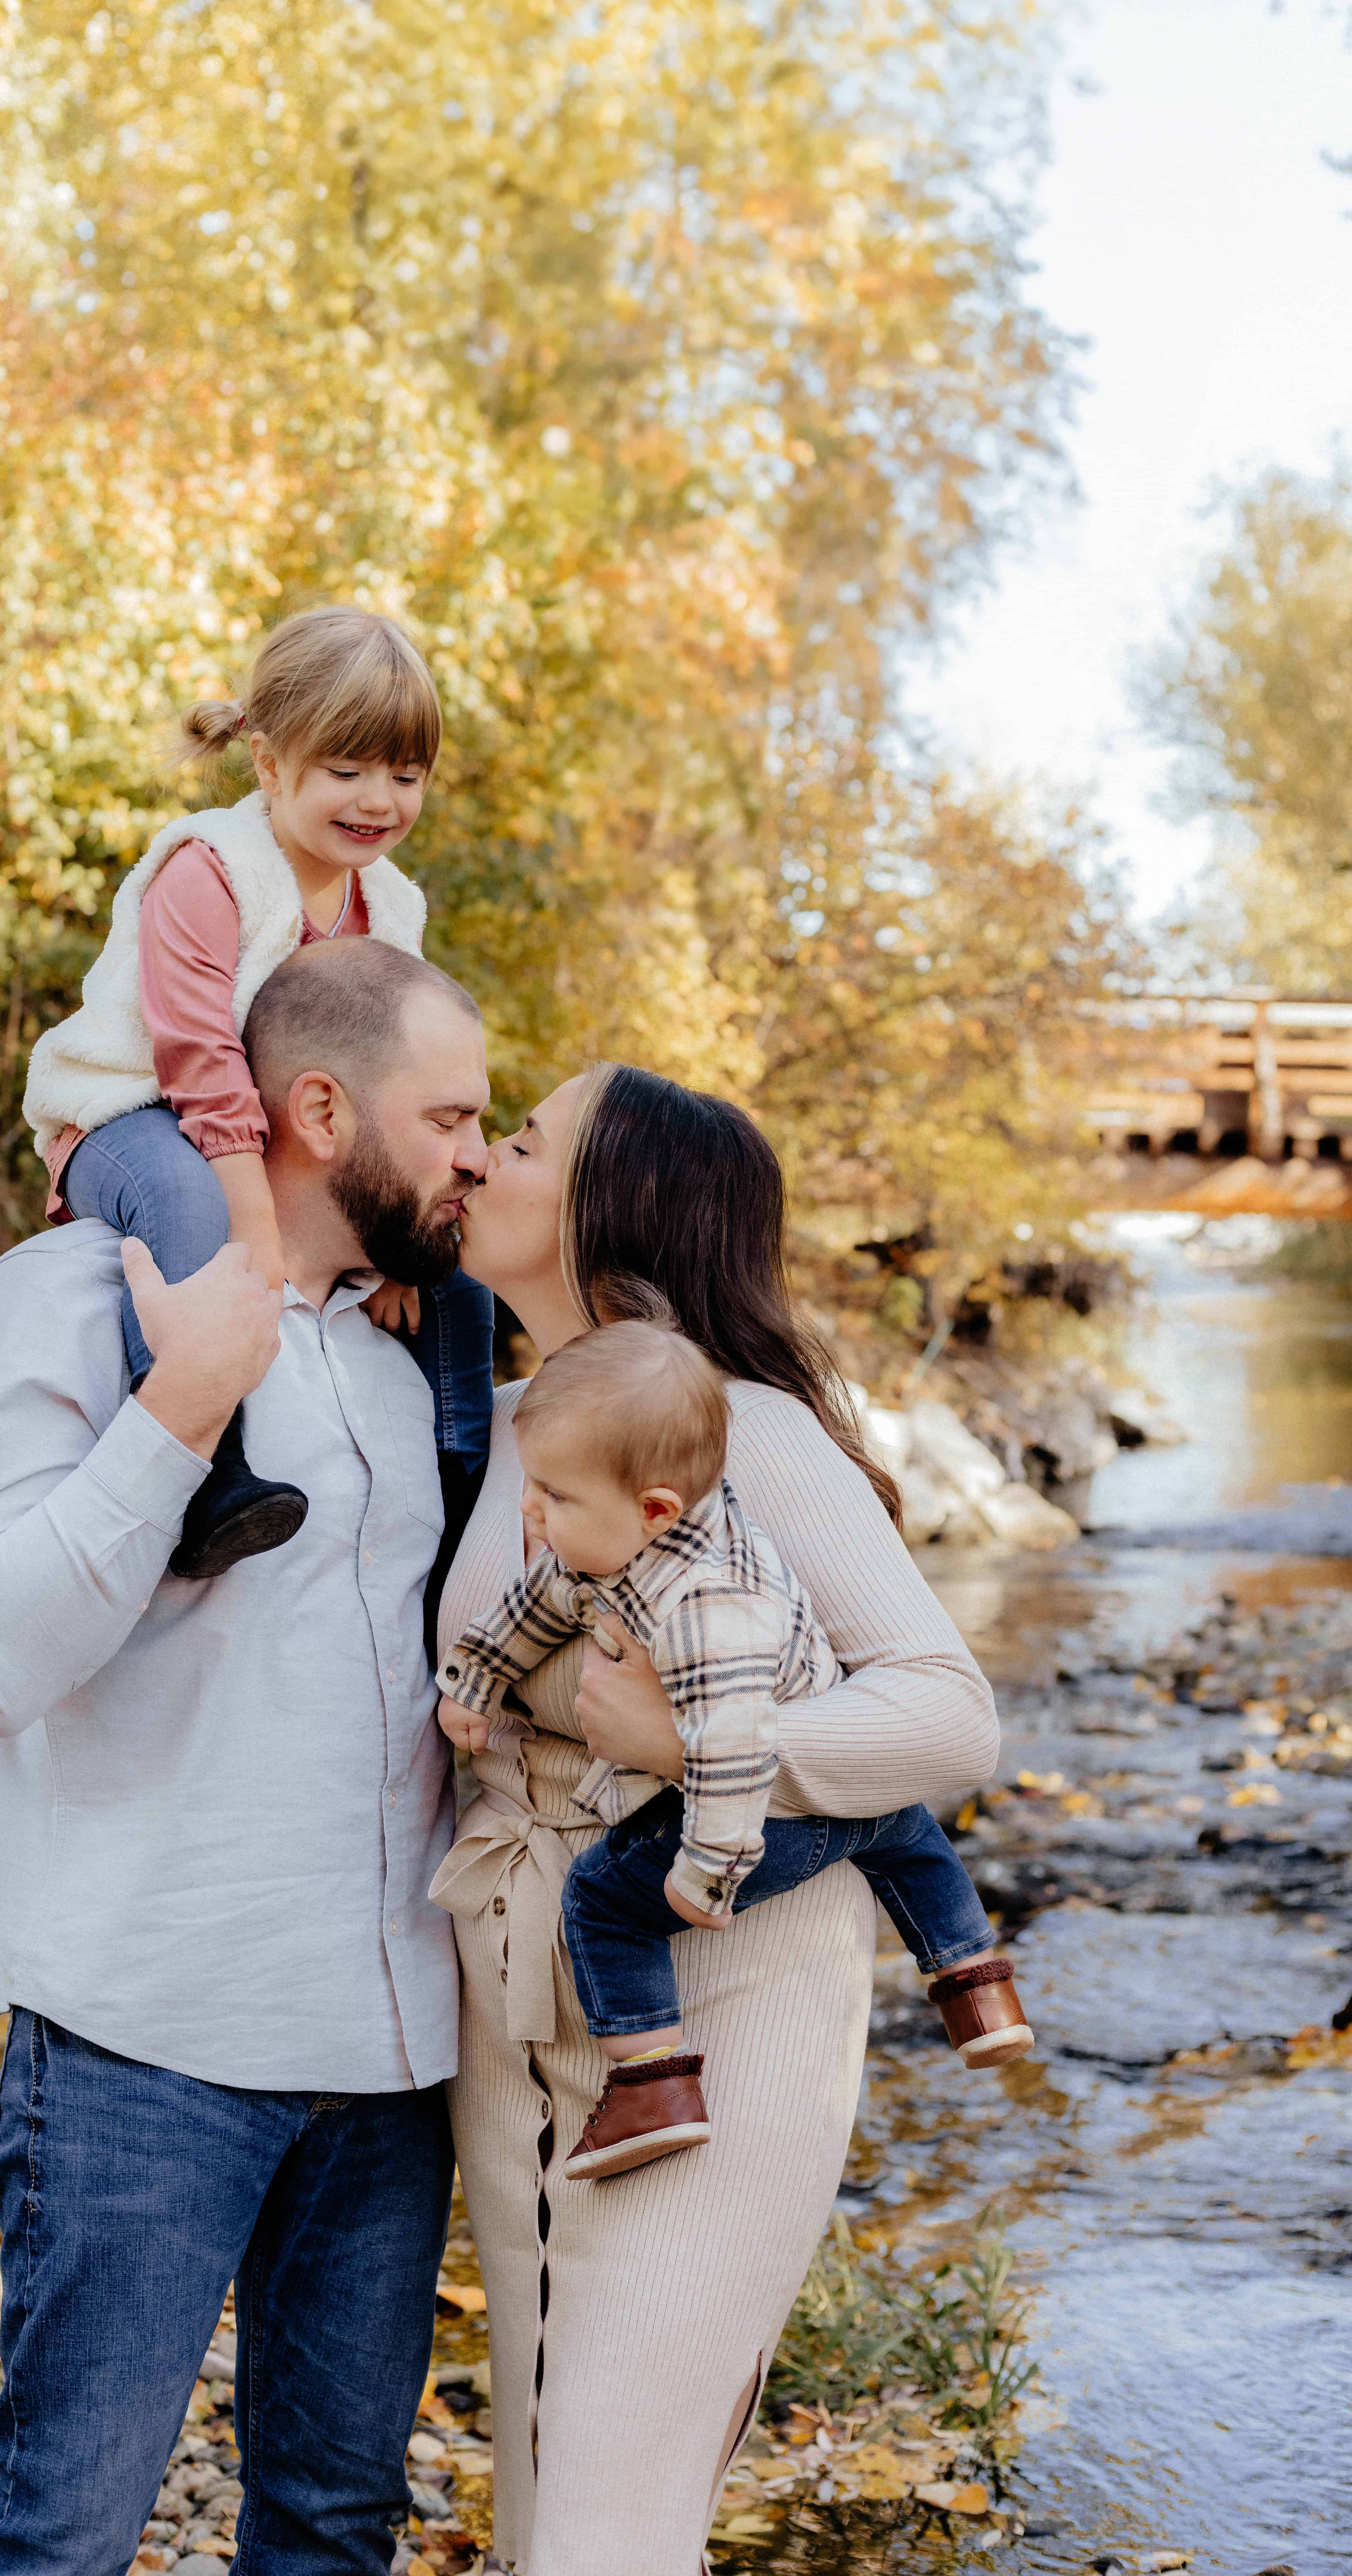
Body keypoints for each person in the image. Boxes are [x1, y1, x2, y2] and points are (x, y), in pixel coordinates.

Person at [0, 937, 490, 2576]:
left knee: (334, 2526)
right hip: (141, 2044)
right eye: (449, 1111)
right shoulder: (73, 1292)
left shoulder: (425, 1350)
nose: (474, 1147)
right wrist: (179, 1414)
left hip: (393, 2062)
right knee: (63, 2536)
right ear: (319, 1108)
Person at [433, 1064, 1000, 2576]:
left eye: (524, 1140)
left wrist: (694, 1738)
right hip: (523, 1994)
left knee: (603, 2528)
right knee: (551, 2498)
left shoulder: (743, 1429)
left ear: (611, 1203)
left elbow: (950, 1711)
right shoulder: (488, 1417)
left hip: (730, 1991)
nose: (484, 1153)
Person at [436, 1318, 1031, 2183]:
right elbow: (539, 1603)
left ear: (654, 1509)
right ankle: (976, 1985)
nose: (531, 1510)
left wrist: (707, 1871)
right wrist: (475, 1678)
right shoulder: (634, 1543)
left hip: (769, 1818)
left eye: (554, 1497)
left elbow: (735, 1752)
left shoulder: (706, 1608)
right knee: (907, 1829)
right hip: (861, 1803)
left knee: (602, 1899)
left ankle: (651, 2084)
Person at [22, 606, 492, 1578]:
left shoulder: (389, 904)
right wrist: (255, 1220)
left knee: (458, 1256)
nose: (379, 801)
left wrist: (406, 1240)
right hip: (131, 1110)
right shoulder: (209, 870)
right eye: (348, 771)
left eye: (406, 776)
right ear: (271, 764)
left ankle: (460, 1480)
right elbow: (195, 1051)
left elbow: (389, 1070)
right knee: (190, 1208)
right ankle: (205, 1472)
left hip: (267, 1130)